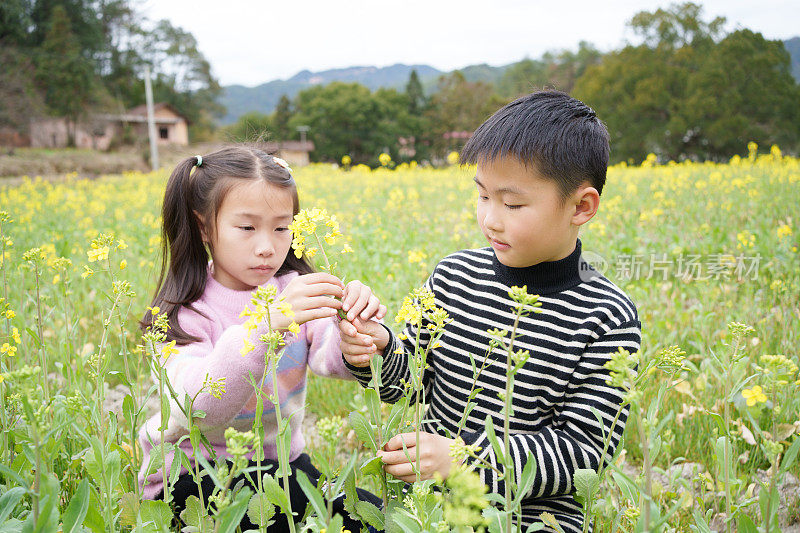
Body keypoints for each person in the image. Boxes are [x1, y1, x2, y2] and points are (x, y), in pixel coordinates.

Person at [339, 90, 642, 532]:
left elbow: (582, 452)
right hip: (424, 501)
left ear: (581, 206)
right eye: (483, 197)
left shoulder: (607, 316)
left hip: (530, 515)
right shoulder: (453, 276)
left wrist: (463, 460)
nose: (491, 220)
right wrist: (376, 347)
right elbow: (408, 386)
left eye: (513, 204)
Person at [137, 146, 383, 530]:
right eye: (247, 228)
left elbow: (330, 358)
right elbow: (198, 407)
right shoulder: (184, 311)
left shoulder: (292, 288)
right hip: (193, 476)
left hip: (280, 465)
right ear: (204, 226)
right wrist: (266, 326)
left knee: (373, 518)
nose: (267, 246)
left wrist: (357, 335)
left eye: (282, 227)